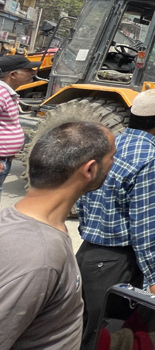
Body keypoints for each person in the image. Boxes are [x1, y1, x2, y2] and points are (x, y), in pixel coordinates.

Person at [0, 122, 116, 350]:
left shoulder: (27, 225)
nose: (115, 164)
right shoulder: (39, 258)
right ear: (90, 169)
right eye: (113, 156)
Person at [76, 88, 155, 350]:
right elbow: (146, 225)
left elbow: (82, 196)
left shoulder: (108, 144)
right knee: (105, 333)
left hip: (87, 253)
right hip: (116, 262)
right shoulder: (150, 157)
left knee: (82, 328)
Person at [0, 54, 41, 197]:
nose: (33, 72)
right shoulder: (0, 93)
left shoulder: (7, 93)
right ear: (13, 74)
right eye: (28, 70)